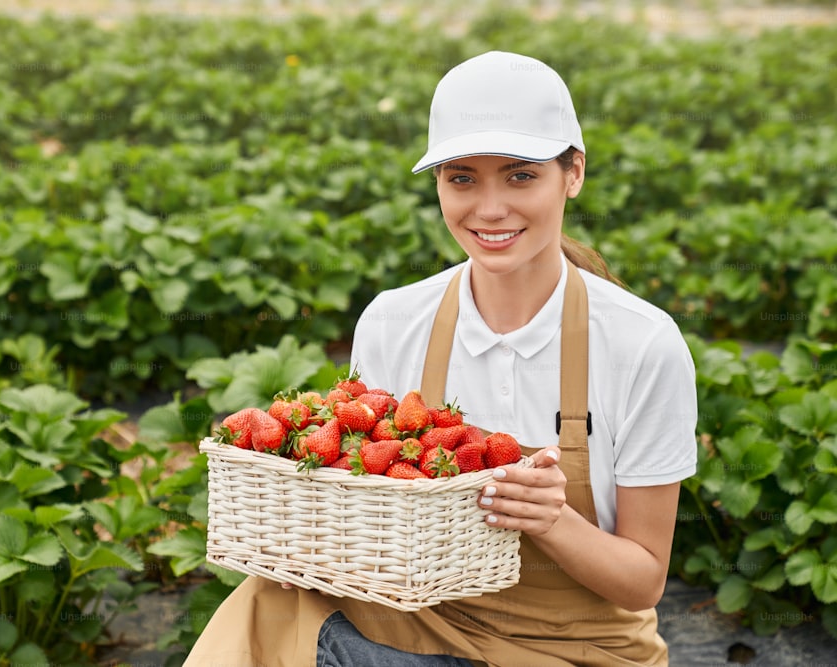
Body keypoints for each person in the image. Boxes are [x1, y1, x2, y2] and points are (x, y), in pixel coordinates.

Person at [185, 50, 697, 667]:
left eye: (519, 176)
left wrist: (551, 519)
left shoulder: (642, 343)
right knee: (265, 602)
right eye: (461, 179)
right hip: (415, 626)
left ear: (574, 173)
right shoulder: (395, 320)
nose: (488, 209)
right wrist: (311, 554)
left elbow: (643, 581)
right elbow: (368, 513)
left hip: (576, 650)